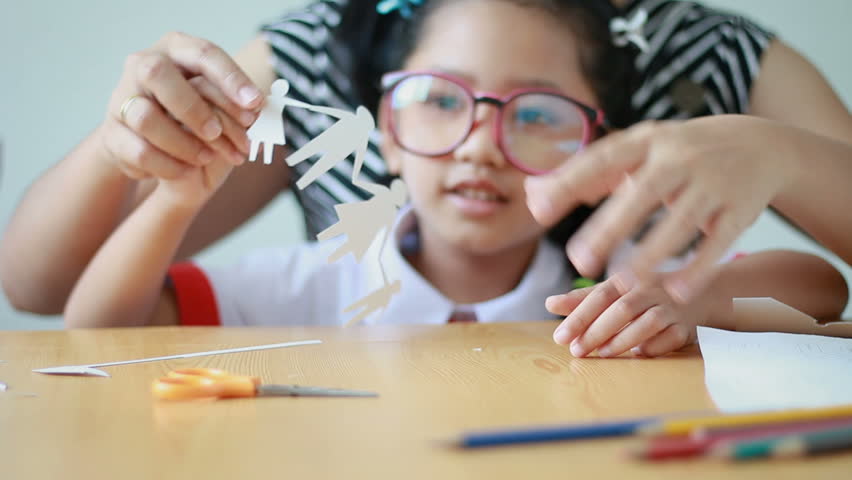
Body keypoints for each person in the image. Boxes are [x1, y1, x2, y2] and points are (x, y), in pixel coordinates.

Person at [61, 0, 846, 349]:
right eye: (440, 100)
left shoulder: (608, 286)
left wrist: (695, 299)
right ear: (387, 133)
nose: (480, 144)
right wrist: (174, 199)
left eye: (537, 114)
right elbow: (94, 327)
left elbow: (822, 285)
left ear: (596, 151)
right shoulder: (317, 283)